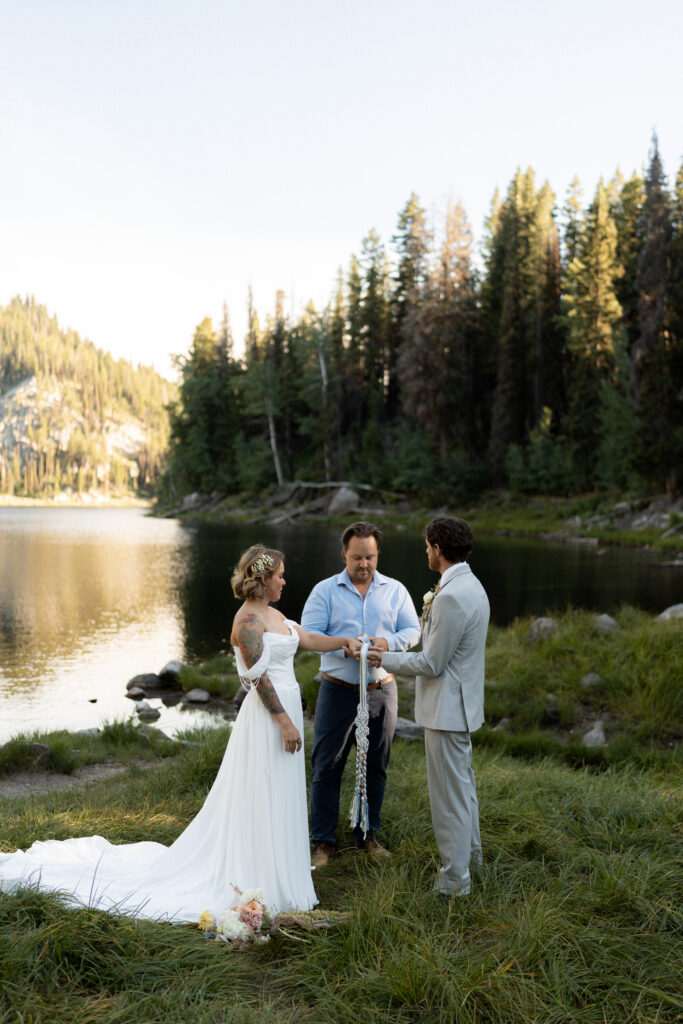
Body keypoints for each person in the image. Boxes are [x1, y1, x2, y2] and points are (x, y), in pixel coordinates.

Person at [0, 545, 358, 921]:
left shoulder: (274, 613)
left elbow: (307, 639)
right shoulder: (248, 622)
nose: (285, 581)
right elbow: (258, 678)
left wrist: (345, 644)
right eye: (280, 575)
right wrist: (285, 721)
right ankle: (258, 875)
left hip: (284, 710)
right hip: (269, 718)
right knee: (263, 790)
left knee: (281, 789)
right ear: (264, 579)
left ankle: (282, 872)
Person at [367, 516, 489, 897]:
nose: (425, 552)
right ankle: (472, 863)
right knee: (463, 792)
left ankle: (454, 882)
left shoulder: (450, 596)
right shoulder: (471, 584)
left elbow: (432, 663)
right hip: (459, 707)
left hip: (448, 710)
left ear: (438, 548)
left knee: (449, 799)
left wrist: (382, 658)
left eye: (426, 546)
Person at [301, 521, 420, 866]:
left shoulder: (396, 590)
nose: (364, 564)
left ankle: (367, 836)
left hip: (381, 691)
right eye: (357, 557)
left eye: (370, 557)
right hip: (337, 691)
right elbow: (308, 635)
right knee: (327, 766)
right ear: (344, 554)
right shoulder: (324, 591)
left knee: (376, 766)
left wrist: (387, 642)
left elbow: (413, 631)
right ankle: (323, 842)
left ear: (377, 554)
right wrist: (343, 645)